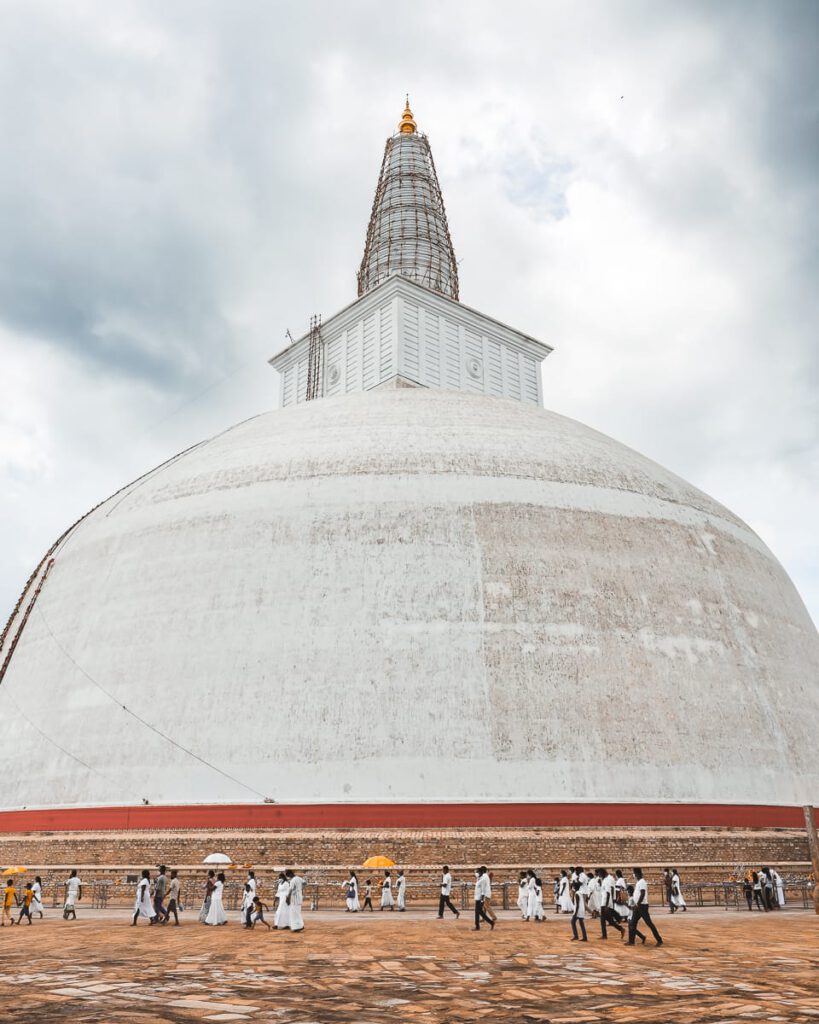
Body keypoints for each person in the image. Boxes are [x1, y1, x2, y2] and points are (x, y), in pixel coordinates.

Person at [627, 868, 662, 947]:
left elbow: (642, 894)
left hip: (642, 906)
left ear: (636, 874)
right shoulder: (639, 882)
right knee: (632, 923)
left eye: (634, 873)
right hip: (639, 906)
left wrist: (637, 904)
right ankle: (631, 941)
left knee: (649, 923)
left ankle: (659, 940)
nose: (633, 875)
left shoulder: (642, 882)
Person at [599, 868, 624, 940]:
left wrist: (607, 904)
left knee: (603, 919)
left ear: (603, 873)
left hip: (606, 903)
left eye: (600, 874)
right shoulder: (606, 879)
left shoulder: (608, 880)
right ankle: (620, 928)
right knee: (608, 919)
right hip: (604, 901)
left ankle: (605, 935)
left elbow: (608, 892)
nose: (600, 876)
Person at [472, 866, 494, 931]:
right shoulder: (479, 878)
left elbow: (483, 890)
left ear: (481, 872)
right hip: (477, 898)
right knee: (480, 912)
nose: (477, 873)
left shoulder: (483, 879)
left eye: (478, 872)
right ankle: (491, 922)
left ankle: (477, 926)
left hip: (480, 898)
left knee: (478, 912)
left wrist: (482, 900)